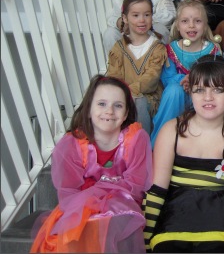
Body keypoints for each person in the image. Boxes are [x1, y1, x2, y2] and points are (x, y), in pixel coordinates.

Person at [30, 75, 152, 253]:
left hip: (121, 205)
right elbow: (68, 191)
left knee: (114, 221)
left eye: (118, 105)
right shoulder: (72, 144)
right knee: (68, 234)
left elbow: (135, 184)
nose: (109, 111)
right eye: (101, 104)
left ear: (126, 113)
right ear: (88, 110)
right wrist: (92, 201)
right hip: (79, 207)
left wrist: (98, 194)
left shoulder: (136, 139)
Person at [143, 55, 224, 253]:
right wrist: (144, 243)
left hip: (219, 231)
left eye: (217, 90)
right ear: (189, 90)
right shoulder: (171, 131)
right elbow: (156, 191)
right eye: (199, 90)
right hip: (171, 228)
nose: (208, 97)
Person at [150, 0, 221, 147]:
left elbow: (218, 75)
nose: (191, 25)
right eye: (185, 21)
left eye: (197, 21)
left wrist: (195, 80)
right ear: (177, 25)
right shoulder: (171, 49)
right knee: (174, 91)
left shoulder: (213, 49)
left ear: (205, 24)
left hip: (204, 94)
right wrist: (185, 80)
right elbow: (167, 77)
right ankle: (159, 143)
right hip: (179, 94)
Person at [106, 0, 167, 135]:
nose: (142, 20)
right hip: (123, 96)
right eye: (135, 15)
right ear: (125, 18)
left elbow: (150, 79)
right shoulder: (119, 47)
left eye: (147, 15)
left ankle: (142, 142)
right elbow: (114, 76)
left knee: (137, 100)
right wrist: (121, 94)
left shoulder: (157, 47)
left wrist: (127, 92)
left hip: (149, 99)